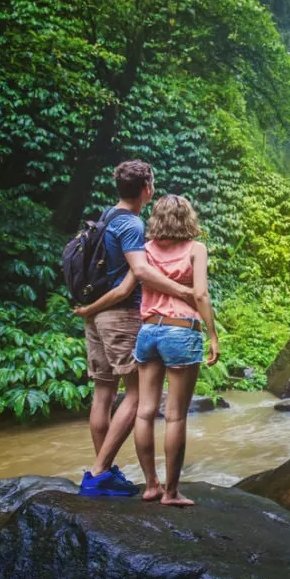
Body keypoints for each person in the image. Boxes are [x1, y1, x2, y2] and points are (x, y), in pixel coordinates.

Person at [77, 194, 219, 506]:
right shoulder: (197, 249)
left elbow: (126, 288)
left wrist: (89, 309)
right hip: (181, 331)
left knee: (144, 411)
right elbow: (201, 294)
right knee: (175, 417)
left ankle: (151, 486)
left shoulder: (146, 250)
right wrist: (213, 335)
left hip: (148, 331)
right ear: (188, 219)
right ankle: (171, 492)